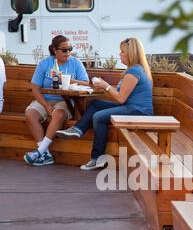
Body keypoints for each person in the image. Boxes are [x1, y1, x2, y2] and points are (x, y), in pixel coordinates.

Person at [56, 37, 153, 170]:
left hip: (139, 111)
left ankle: (97, 159)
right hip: (131, 107)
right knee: (95, 104)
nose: (119, 54)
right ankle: (78, 130)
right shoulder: (135, 70)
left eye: (122, 52)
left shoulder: (134, 72)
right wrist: (102, 87)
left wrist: (106, 86)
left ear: (131, 53)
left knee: (99, 117)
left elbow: (120, 98)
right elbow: (121, 95)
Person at [24, 35, 89, 166]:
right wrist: (46, 106)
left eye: (70, 49)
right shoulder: (45, 63)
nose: (68, 52)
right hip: (45, 99)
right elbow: (35, 89)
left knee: (58, 114)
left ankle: (39, 151)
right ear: (55, 50)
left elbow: (86, 83)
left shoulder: (75, 63)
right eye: (64, 50)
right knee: (30, 114)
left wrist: (71, 81)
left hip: (65, 101)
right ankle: (46, 154)